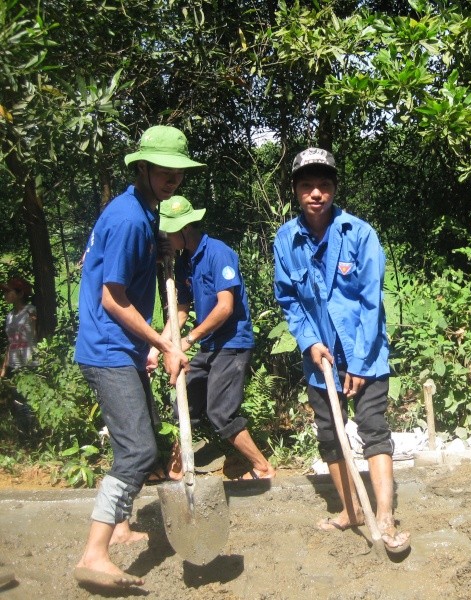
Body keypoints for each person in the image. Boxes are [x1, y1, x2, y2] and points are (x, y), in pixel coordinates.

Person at [73, 125, 203, 589]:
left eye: (178, 172)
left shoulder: (143, 214)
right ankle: (94, 553)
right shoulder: (130, 217)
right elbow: (113, 298)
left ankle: (122, 525)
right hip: (108, 348)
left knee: (138, 438)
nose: (172, 179)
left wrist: (161, 247)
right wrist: (165, 342)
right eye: (163, 170)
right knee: (140, 448)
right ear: (143, 167)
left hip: (120, 346)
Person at [273, 147, 409, 552]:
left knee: (372, 427)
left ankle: (383, 514)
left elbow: (371, 303)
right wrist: (310, 342)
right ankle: (351, 510)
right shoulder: (286, 240)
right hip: (321, 358)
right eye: (307, 186)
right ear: (296, 191)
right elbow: (288, 299)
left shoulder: (360, 234)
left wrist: (363, 363)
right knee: (330, 434)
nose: (316, 193)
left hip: (364, 351)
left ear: (334, 190)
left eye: (324, 185)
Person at [150, 195, 276, 481]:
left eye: (170, 232)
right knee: (186, 401)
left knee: (220, 412)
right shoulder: (184, 262)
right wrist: (159, 346)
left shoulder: (218, 253)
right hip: (210, 344)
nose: (167, 239)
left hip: (232, 344)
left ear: (185, 228)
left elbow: (225, 307)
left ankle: (263, 467)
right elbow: (181, 310)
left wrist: (190, 339)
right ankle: (177, 467)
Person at [1, 277, 37, 434]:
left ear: (20, 293)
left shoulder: (30, 310)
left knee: (31, 400)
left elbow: (36, 334)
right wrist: (4, 367)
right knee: (18, 401)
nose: (5, 295)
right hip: (15, 363)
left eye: (8, 292)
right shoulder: (9, 316)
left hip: (29, 362)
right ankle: (26, 434)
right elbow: (10, 342)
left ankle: (35, 432)